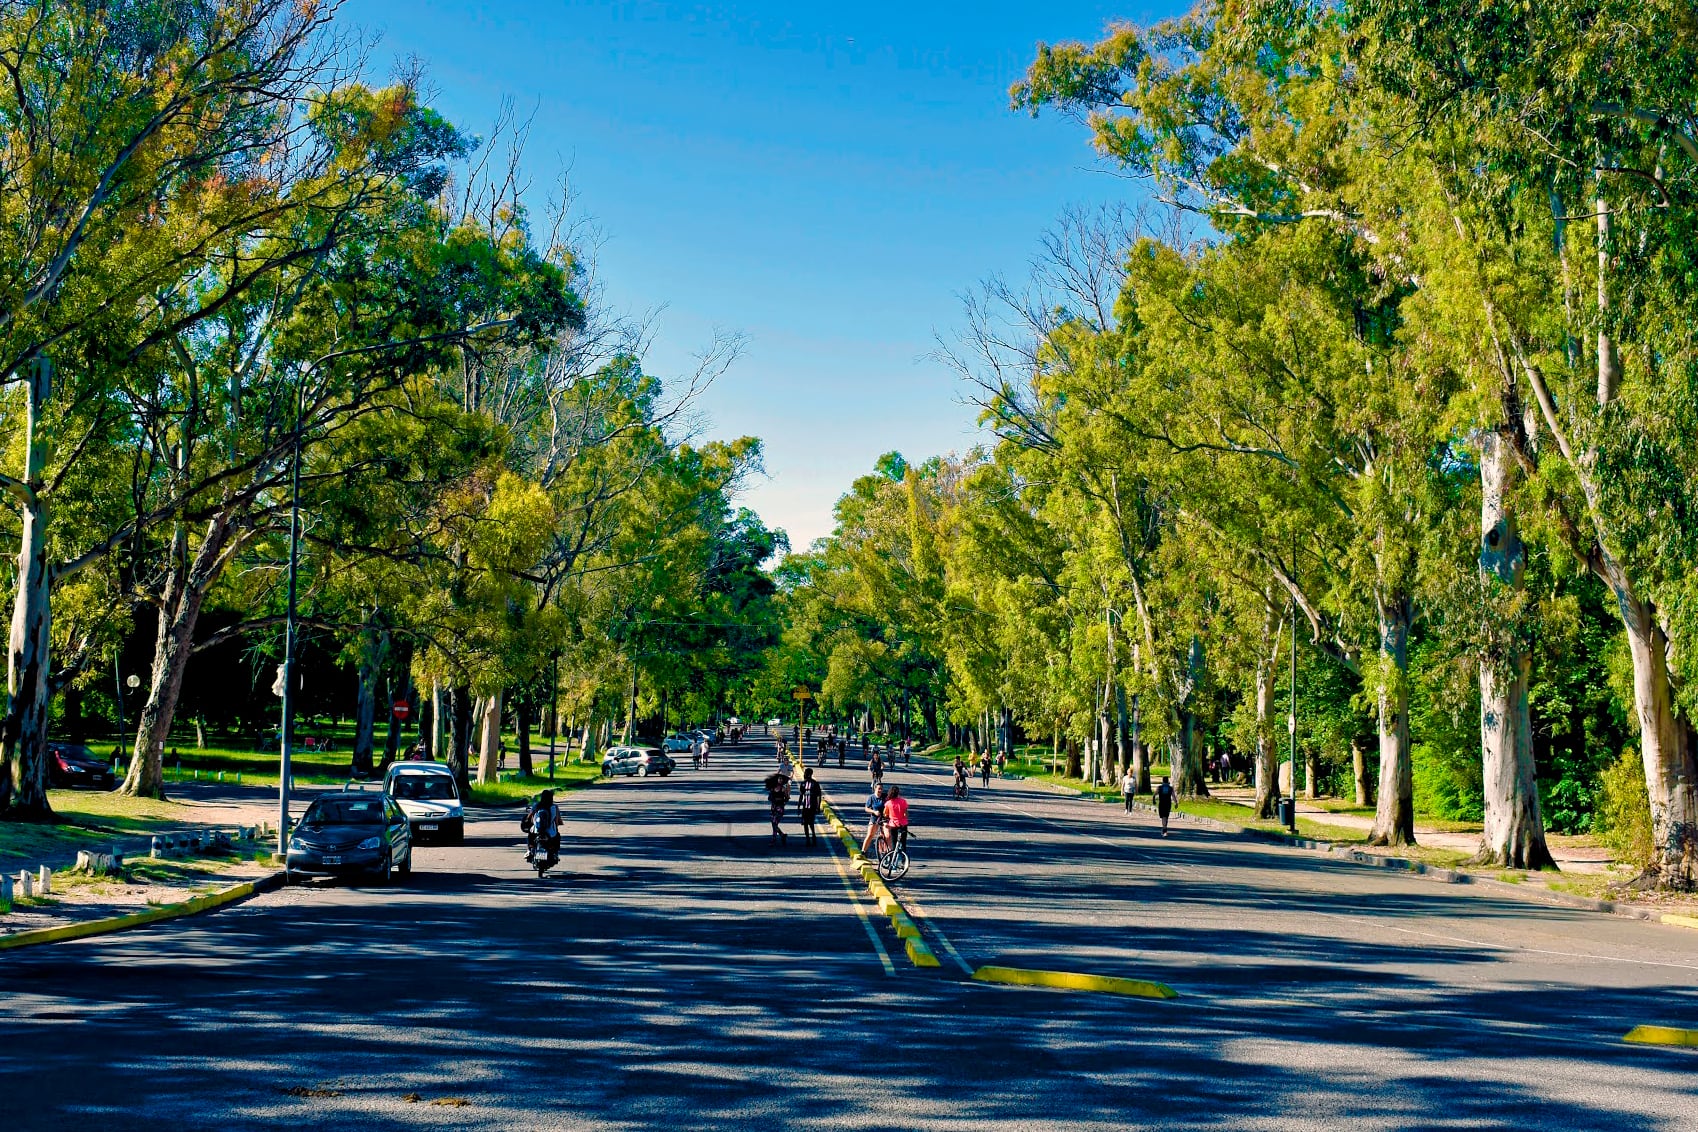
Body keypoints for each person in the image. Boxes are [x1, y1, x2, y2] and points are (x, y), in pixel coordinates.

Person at [526, 789, 563, 866]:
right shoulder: (554, 807)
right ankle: (554, 854)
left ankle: (529, 850)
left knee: (530, 834)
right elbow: (556, 821)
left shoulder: (536, 805)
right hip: (550, 832)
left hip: (537, 830)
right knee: (557, 836)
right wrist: (557, 825)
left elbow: (528, 817)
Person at [764, 769, 791, 845]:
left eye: (781, 779)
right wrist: (773, 799)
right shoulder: (772, 788)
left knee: (774, 822)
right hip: (773, 808)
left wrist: (786, 797)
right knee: (773, 823)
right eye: (779, 779)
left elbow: (787, 798)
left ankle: (773, 840)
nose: (780, 780)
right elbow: (769, 798)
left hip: (780, 808)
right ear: (777, 780)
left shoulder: (784, 789)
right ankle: (782, 835)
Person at [796, 768, 823, 845]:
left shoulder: (815, 784)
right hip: (805, 807)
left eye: (806, 773)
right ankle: (807, 839)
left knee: (810, 822)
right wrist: (799, 806)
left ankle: (813, 835)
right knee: (805, 823)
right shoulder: (803, 784)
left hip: (812, 806)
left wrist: (818, 806)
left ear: (809, 774)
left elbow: (818, 796)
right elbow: (801, 796)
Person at [882, 785, 910, 855]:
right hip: (903, 824)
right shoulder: (903, 801)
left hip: (893, 824)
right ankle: (904, 860)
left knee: (894, 842)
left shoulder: (888, 803)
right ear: (898, 793)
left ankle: (894, 858)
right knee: (903, 843)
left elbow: (885, 814)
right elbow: (906, 815)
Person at [862, 784, 888, 855]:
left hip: (884, 818)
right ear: (875, 789)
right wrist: (874, 812)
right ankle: (863, 851)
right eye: (879, 789)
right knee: (870, 834)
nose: (880, 790)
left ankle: (885, 852)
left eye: (881, 789)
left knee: (885, 835)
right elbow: (866, 808)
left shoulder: (885, 796)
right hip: (875, 818)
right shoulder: (871, 797)